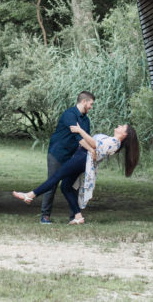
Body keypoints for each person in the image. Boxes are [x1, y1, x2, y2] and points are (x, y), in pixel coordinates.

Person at [12, 122, 139, 225]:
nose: (118, 126)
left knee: (57, 176)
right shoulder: (112, 140)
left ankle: (31, 195)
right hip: (81, 157)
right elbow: (92, 144)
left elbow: (94, 144)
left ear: (125, 134)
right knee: (65, 186)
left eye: (122, 127)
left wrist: (80, 130)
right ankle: (78, 216)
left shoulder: (115, 143)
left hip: (82, 158)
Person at [39, 91, 93, 224]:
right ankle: (45, 216)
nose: (91, 107)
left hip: (72, 156)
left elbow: (86, 137)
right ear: (84, 102)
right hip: (58, 153)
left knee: (73, 186)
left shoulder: (86, 120)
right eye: (91, 104)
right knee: (52, 184)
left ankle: (74, 217)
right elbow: (79, 139)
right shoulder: (69, 114)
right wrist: (92, 150)